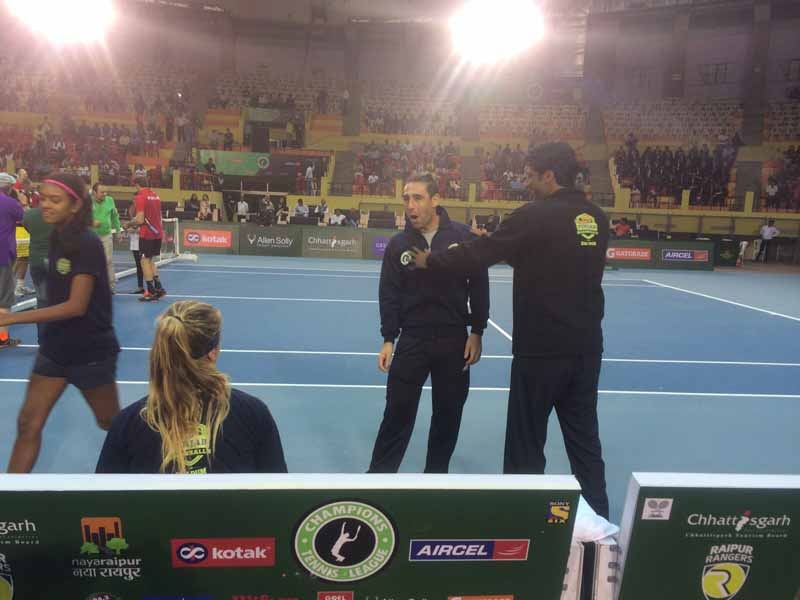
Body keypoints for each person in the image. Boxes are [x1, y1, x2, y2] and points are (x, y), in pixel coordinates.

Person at [409, 142, 611, 517]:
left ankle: (525, 522)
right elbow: (551, 259)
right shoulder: (596, 217)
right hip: (586, 350)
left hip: (540, 351)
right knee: (585, 443)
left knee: (525, 443)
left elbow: (481, 255)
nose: (525, 182)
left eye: (530, 175)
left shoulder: (532, 215)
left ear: (549, 175)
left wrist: (432, 261)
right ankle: (601, 526)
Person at [368, 173, 489, 474]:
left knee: (448, 416)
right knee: (396, 414)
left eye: (417, 198)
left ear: (435, 200)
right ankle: (379, 479)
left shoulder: (463, 237)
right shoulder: (398, 244)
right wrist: (388, 338)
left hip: (454, 341)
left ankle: (436, 479)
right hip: (412, 341)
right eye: (406, 199)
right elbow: (389, 293)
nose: (410, 205)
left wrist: (477, 331)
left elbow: (479, 286)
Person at [2, 172, 121, 473]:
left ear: (75, 205)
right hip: (54, 350)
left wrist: (12, 317)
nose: (46, 205)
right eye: (43, 198)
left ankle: (155, 478)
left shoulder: (87, 243)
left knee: (112, 424)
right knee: (28, 423)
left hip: (91, 352)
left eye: (55, 200)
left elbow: (75, 306)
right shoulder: (56, 235)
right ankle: (10, 496)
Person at [96, 301, 287, 474]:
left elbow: (102, 496)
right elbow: (277, 490)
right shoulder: (253, 414)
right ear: (213, 352)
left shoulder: (127, 424)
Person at [128, 177, 165, 302]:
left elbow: (139, 219)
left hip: (147, 234)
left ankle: (150, 291)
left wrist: (128, 224)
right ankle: (159, 288)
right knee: (149, 260)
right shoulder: (156, 196)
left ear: (137, 185)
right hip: (157, 233)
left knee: (144, 261)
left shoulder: (140, 197)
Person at [0, 172, 23, 349]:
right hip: (2, 255)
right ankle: (2, 338)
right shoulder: (9, 203)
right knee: (3, 299)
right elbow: (23, 217)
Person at [91, 183, 121, 294]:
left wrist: (118, 230)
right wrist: (90, 222)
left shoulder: (110, 200)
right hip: (91, 237)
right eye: (102, 192)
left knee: (108, 261)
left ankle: (110, 286)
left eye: (106, 192)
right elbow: (80, 218)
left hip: (106, 235)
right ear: (94, 193)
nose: (105, 194)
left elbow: (114, 216)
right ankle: (93, 286)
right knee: (91, 261)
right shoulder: (87, 202)